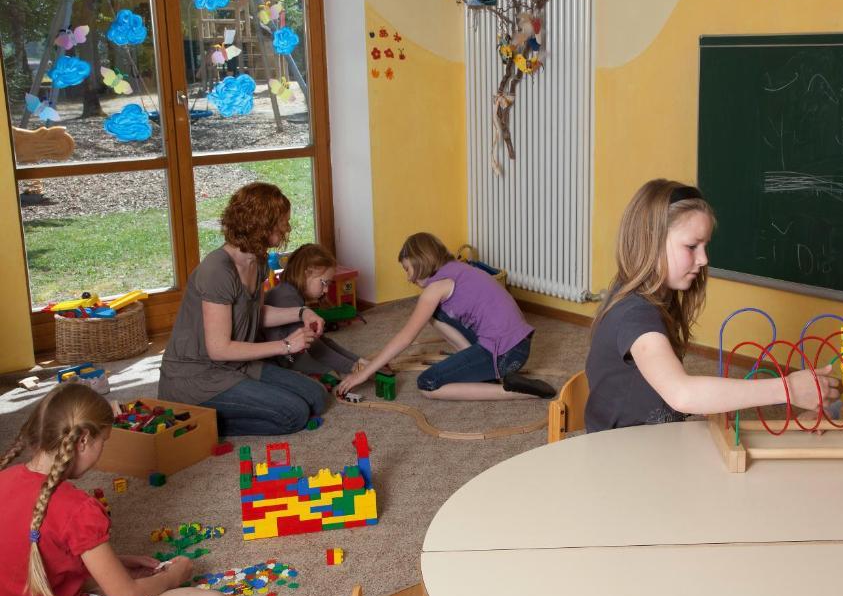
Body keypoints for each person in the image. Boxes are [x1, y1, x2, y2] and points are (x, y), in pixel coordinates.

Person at [585, 178, 839, 432]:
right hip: (622, 455)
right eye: (691, 246)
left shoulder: (650, 295)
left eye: (705, 246)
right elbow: (682, 394)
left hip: (654, 441)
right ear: (650, 239)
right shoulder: (635, 315)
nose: (703, 259)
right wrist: (788, 389)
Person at [0, 383, 227, 596]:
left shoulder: (4, 478)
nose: (102, 451)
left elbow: (31, 557)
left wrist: (116, 563)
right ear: (84, 440)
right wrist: (171, 577)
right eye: (104, 441)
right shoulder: (77, 508)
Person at [159, 182, 327, 436]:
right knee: (295, 414)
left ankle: (231, 407)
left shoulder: (257, 260)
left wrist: (302, 312)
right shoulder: (217, 271)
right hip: (197, 376)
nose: (286, 229)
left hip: (238, 366)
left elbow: (255, 315)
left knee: (316, 397)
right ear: (261, 225)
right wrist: (287, 346)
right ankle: (203, 425)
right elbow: (218, 349)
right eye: (282, 222)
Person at [336, 232, 555, 400]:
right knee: (434, 313)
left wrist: (364, 374)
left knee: (428, 384)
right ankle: (475, 362)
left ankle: (514, 391)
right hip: (518, 344)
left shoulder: (436, 288)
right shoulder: (458, 268)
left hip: (505, 354)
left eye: (407, 269)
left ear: (420, 260)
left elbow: (405, 337)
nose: (408, 278)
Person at [262, 243, 367, 378]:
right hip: (281, 361)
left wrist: (358, 360)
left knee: (332, 361)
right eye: (324, 283)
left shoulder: (290, 292)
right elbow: (315, 348)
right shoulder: (286, 298)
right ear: (306, 274)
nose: (326, 290)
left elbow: (321, 340)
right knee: (332, 375)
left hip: (287, 355)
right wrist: (353, 368)